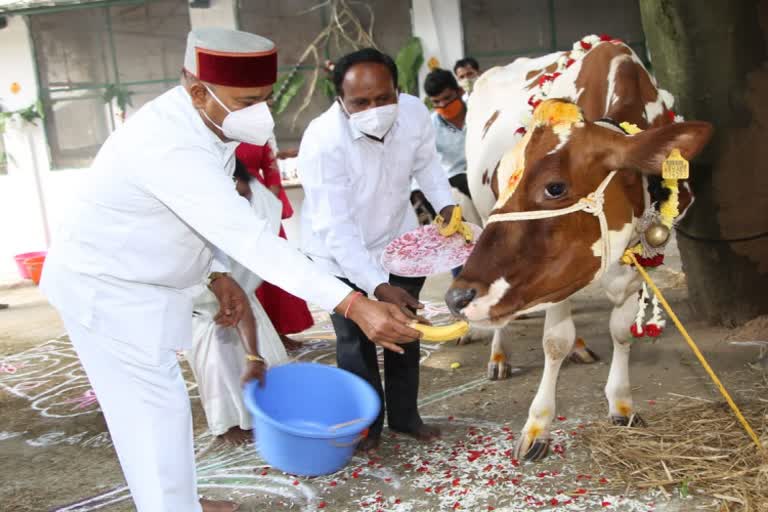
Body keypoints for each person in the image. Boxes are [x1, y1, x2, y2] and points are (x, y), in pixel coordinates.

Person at [40, 28, 420, 512]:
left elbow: (197, 222)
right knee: (153, 415)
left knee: (160, 411)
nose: (260, 111)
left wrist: (215, 275)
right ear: (198, 90)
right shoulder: (167, 144)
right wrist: (351, 303)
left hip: (146, 285)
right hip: (107, 292)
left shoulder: (207, 122)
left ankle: (179, 503)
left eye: (265, 98)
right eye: (248, 100)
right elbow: (251, 239)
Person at [299, 48, 458, 453]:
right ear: (340, 101)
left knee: (405, 330)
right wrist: (376, 287)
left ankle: (406, 418)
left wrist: (445, 205)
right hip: (339, 255)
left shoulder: (415, 114)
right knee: (356, 340)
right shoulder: (322, 141)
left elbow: (428, 167)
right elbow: (338, 230)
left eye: (384, 98)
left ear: (398, 91)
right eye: (361, 103)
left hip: (398, 242)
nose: (375, 109)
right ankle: (366, 427)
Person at [187, 159, 288, 446]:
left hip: (239, 290)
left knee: (259, 359)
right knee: (219, 363)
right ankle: (228, 422)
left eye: (244, 196)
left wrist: (254, 356)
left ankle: (263, 412)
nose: (242, 201)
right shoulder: (194, 214)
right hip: (204, 304)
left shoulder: (255, 200)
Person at [236, 141, 313, 351]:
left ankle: (279, 332)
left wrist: (267, 202)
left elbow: (271, 170)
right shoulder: (210, 136)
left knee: (275, 270)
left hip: (261, 201)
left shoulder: (257, 135)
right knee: (244, 273)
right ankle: (252, 338)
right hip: (230, 202)